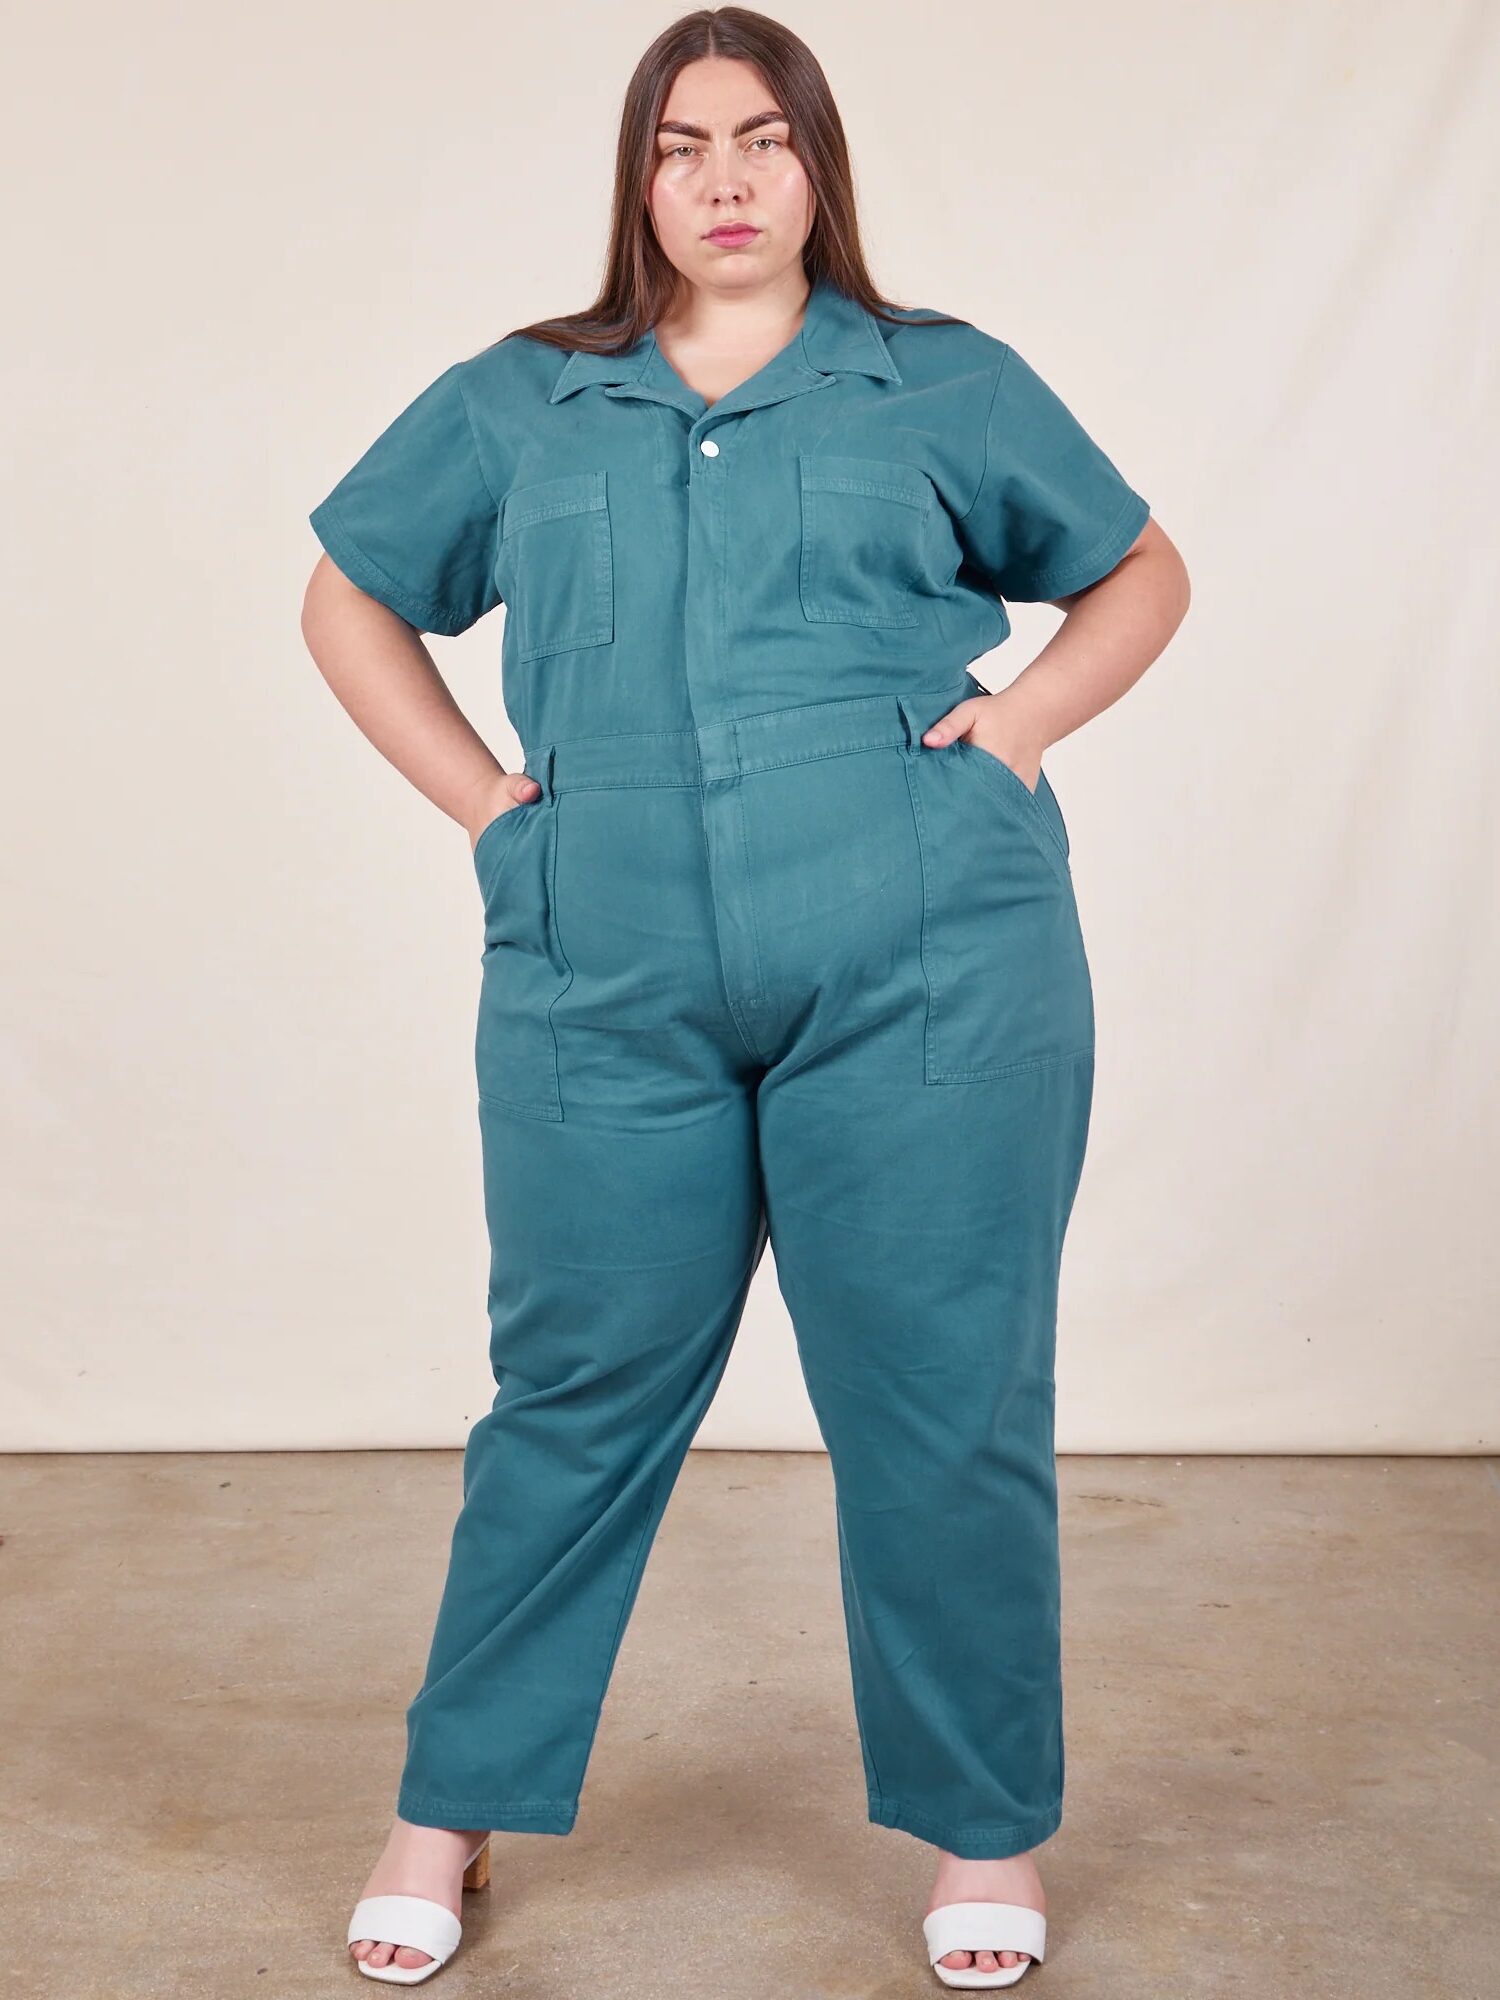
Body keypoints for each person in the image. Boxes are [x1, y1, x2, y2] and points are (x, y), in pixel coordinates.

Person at [301, 7, 1190, 1987]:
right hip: (600, 968)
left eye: (766, 142)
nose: (724, 178)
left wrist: (1018, 732)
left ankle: (982, 1830)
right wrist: (487, 811)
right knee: (573, 1389)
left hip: (931, 958)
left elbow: (1136, 571)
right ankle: (445, 1808)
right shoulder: (523, 398)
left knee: (942, 1400)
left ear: (820, 172)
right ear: (639, 179)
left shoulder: (938, 381)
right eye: (685, 143)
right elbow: (347, 591)